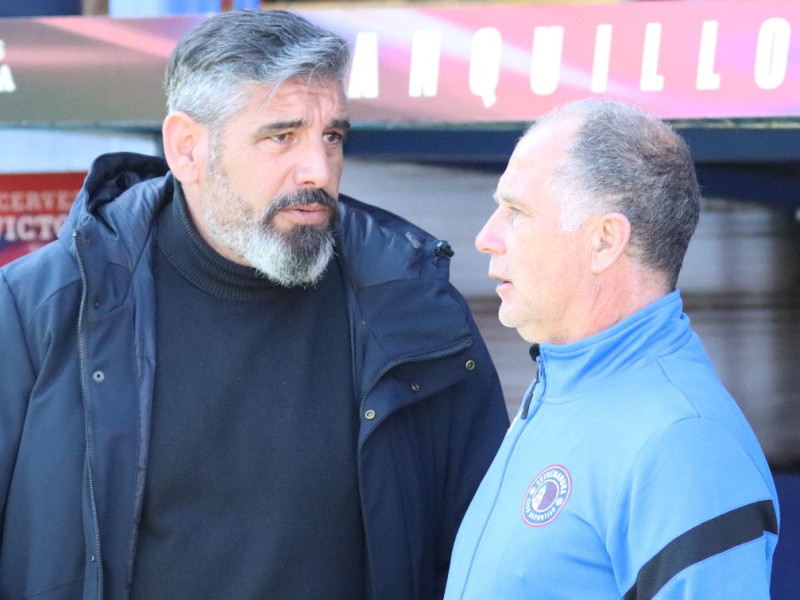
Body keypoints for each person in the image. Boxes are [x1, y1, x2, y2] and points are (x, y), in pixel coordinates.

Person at [0, 10, 509, 600]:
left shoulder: (415, 308)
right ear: (187, 148)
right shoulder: (41, 307)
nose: (318, 170)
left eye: (333, 137)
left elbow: (485, 549)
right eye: (281, 136)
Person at [444, 99, 780, 599]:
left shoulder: (684, 443)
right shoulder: (563, 385)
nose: (486, 237)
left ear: (604, 241)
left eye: (517, 211)